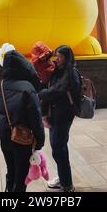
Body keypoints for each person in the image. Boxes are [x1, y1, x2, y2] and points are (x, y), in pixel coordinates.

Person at [0, 48, 45, 192]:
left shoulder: (1, 84)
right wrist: (40, 140)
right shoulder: (27, 88)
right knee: (21, 177)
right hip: (21, 139)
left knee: (11, 171)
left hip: (5, 137)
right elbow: (35, 117)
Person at [38, 45, 81, 192]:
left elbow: (58, 90)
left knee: (58, 147)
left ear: (68, 57)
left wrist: (41, 93)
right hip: (55, 115)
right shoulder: (58, 70)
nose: (58, 59)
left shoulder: (70, 73)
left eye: (61, 56)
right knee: (59, 146)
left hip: (64, 115)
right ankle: (63, 178)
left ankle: (67, 184)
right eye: (57, 56)